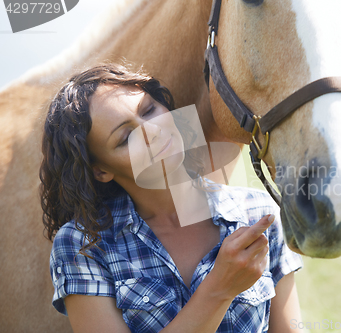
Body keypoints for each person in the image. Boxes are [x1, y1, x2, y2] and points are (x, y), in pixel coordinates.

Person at [39, 63, 303, 333]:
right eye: (126, 137)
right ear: (101, 170)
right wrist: (219, 289)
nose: (152, 130)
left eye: (149, 110)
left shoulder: (257, 213)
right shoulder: (83, 244)